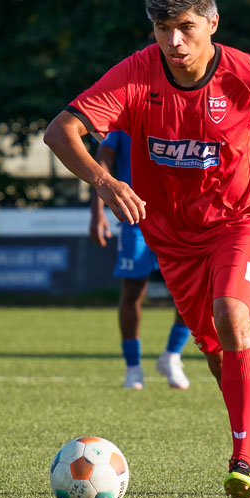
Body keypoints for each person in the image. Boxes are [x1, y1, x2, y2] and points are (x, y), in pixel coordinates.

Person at [44, 0, 250, 498]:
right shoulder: (137, 75)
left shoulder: (249, 77)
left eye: (185, 27)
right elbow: (59, 130)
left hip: (242, 220)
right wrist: (105, 180)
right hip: (173, 237)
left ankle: (243, 460)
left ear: (212, 22)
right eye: (162, 28)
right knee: (215, 351)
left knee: (232, 315)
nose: (174, 41)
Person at [90, 130, 192, 390]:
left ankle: (172, 355)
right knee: (133, 289)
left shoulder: (181, 106)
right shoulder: (125, 115)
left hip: (178, 218)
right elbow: (104, 157)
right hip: (136, 216)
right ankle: (133, 368)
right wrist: (97, 210)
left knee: (188, 291)